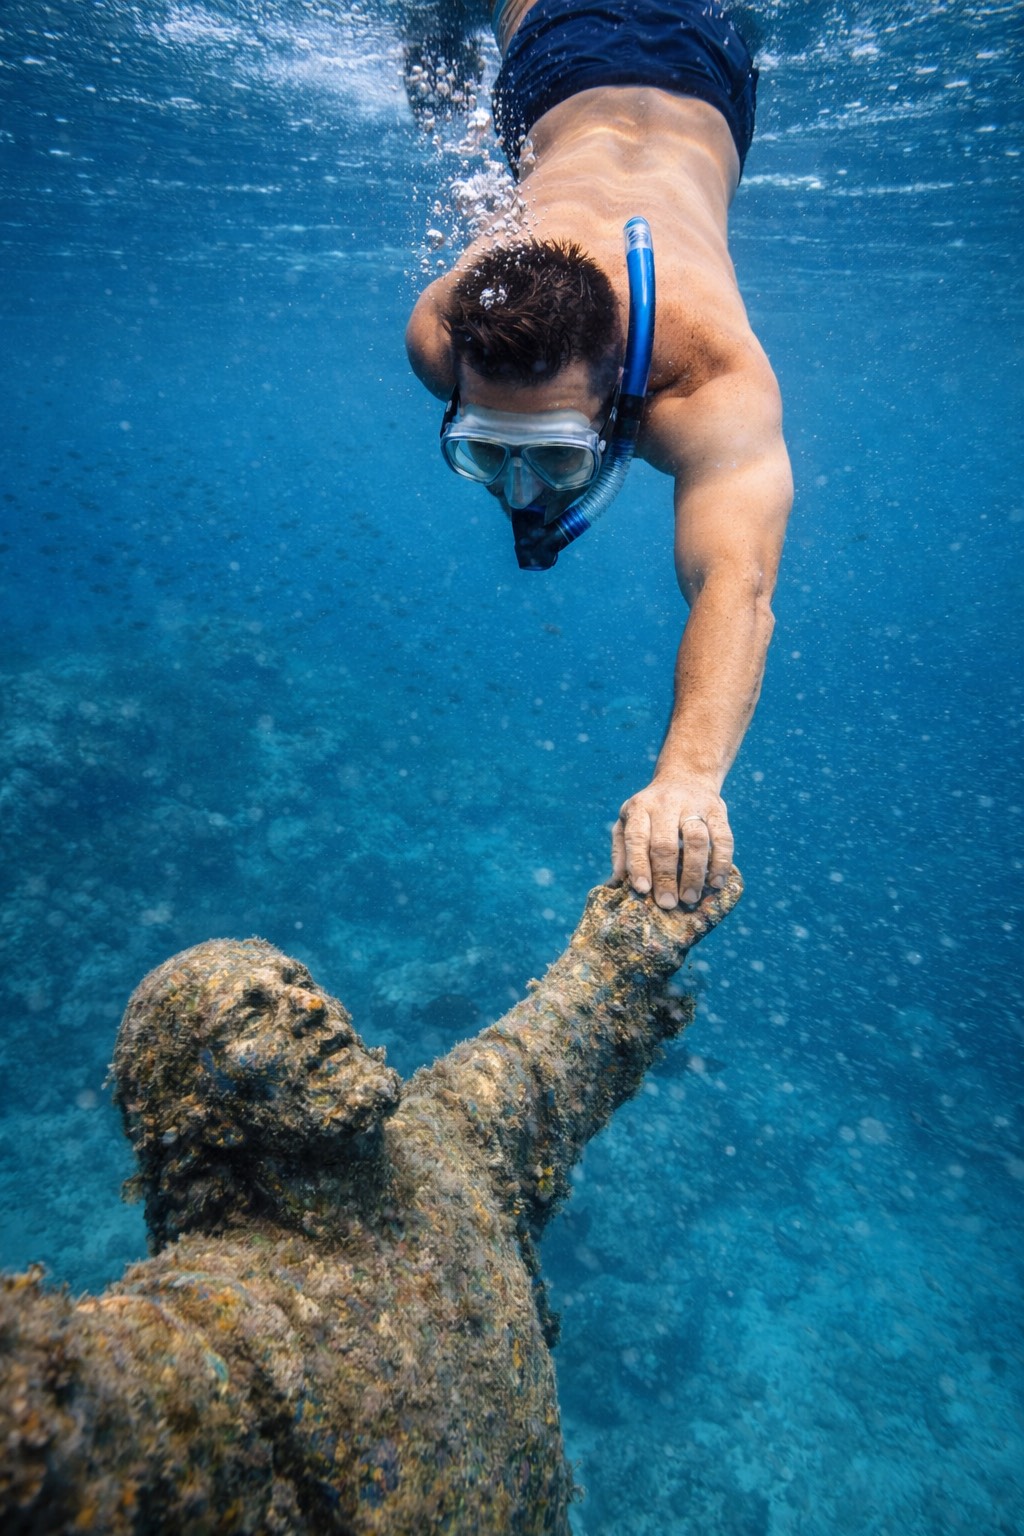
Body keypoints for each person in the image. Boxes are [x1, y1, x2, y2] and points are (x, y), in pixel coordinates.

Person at [0, 873, 740, 1534]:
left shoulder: (454, 1144)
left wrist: (652, 904)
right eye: (250, 1016)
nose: (306, 1004)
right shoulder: (220, 1328)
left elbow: (569, 1018)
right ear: (198, 1117)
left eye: (298, 981)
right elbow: (66, 1412)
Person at [405, 0, 793, 915]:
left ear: (617, 400)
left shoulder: (706, 378)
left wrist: (689, 777)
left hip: (669, 52)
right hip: (561, 63)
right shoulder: (440, 340)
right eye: (482, 452)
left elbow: (736, 583)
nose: (521, 490)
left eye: (555, 455)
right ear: (456, 401)